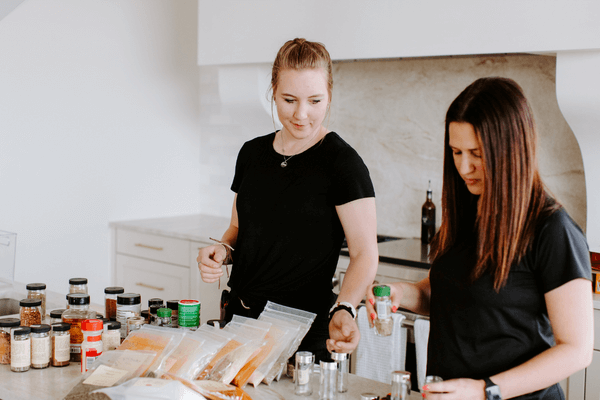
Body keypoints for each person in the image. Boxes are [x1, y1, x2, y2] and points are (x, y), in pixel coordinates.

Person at [366, 77, 593, 399]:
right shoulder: (466, 214)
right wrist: (401, 293)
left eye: (477, 153)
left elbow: (577, 350)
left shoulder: (552, 229)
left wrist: (485, 391)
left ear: (511, 151)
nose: (463, 166)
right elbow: (447, 294)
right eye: (456, 152)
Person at [197, 38, 379, 362]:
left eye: (315, 100)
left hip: (301, 337)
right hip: (239, 323)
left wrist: (347, 307)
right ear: (273, 91)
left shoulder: (342, 163)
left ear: (330, 96)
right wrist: (222, 252)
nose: (301, 114)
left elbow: (365, 252)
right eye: (289, 99)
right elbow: (239, 229)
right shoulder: (252, 154)